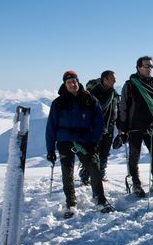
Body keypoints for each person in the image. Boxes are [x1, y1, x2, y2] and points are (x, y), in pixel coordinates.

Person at [46, 70, 114, 218]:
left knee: (93, 168)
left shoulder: (90, 100)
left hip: (84, 141)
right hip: (64, 140)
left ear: (78, 81)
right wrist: (50, 149)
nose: (72, 84)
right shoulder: (58, 103)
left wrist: (94, 142)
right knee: (67, 172)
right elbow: (51, 127)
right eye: (69, 82)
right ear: (65, 84)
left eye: (74, 81)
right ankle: (71, 203)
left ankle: (100, 200)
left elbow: (99, 123)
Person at [118, 56, 153, 197]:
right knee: (134, 156)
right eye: (146, 66)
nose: (149, 69)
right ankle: (136, 184)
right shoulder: (130, 85)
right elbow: (123, 108)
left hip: (150, 126)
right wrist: (123, 129)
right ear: (138, 67)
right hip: (134, 127)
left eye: (151, 66)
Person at [79, 70, 119, 184]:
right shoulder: (93, 93)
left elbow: (117, 111)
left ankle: (100, 173)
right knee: (93, 152)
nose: (115, 80)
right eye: (112, 78)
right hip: (94, 128)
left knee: (105, 152)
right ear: (104, 79)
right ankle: (86, 174)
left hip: (109, 127)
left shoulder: (114, 94)